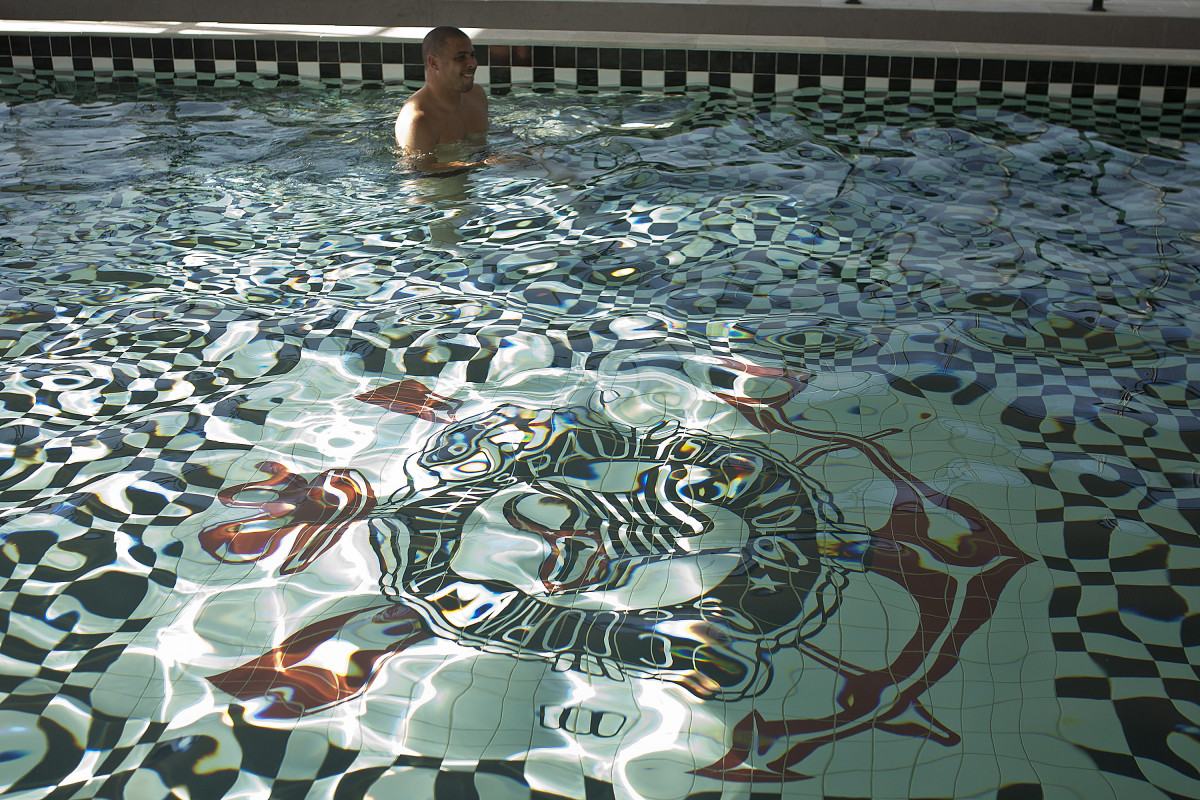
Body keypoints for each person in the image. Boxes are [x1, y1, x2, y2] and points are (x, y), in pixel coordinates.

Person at [395, 27, 495, 172]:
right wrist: (487, 163)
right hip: (434, 193)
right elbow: (421, 171)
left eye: (472, 55)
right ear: (434, 62)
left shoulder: (476, 95)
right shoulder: (418, 120)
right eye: (461, 57)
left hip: (473, 186)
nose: (472, 63)